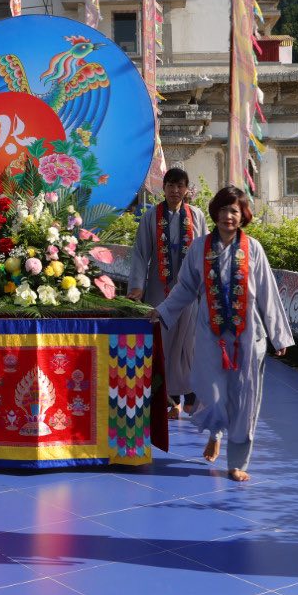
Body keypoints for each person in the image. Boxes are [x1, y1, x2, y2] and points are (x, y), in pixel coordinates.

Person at [153, 186, 292, 482]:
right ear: (215, 212)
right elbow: (185, 288)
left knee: (245, 399)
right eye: (224, 210)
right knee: (213, 394)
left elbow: (267, 292)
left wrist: (278, 334)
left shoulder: (253, 248)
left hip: (248, 337)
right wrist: (162, 311)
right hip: (210, 335)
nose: (229, 216)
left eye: (235, 211)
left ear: (243, 216)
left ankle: (237, 462)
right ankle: (215, 432)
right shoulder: (199, 248)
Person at [127, 168, 207, 419]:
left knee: (189, 343)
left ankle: (190, 395)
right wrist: (137, 286)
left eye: (180, 186)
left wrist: (206, 288)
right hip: (158, 290)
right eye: (171, 186)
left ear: (186, 189)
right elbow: (141, 253)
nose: (175, 191)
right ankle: (168, 399)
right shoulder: (151, 217)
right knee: (162, 343)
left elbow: (205, 254)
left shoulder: (196, 216)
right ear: (163, 188)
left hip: (189, 291)